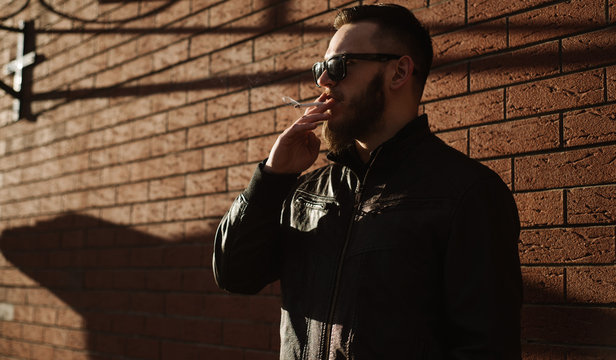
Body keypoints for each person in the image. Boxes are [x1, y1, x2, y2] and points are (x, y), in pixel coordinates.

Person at [213, 4, 522, 359]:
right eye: (321, 69)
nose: (323, 82)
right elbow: (234, 274)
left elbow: (486, 347)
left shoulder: (466, 194)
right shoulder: (304, 193)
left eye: (338, 66)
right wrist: (271, 177)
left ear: (399, 72)